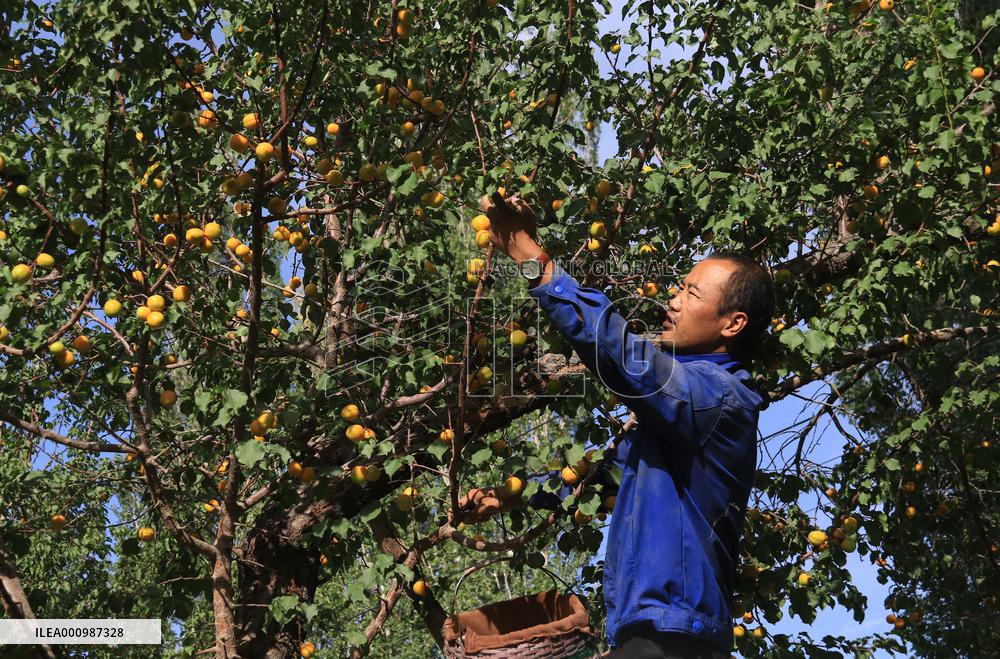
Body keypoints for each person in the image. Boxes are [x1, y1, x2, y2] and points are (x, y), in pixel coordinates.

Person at [459, 193, 775, 658]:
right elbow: (594, 480)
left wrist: (534, 262)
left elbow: (624, 357)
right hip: (650, 635)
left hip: (675, 639)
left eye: (691, 294)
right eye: (680, 288)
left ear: (733, 324)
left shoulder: (719, 399)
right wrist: (510, 493)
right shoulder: (674, 422)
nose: (674, 300)